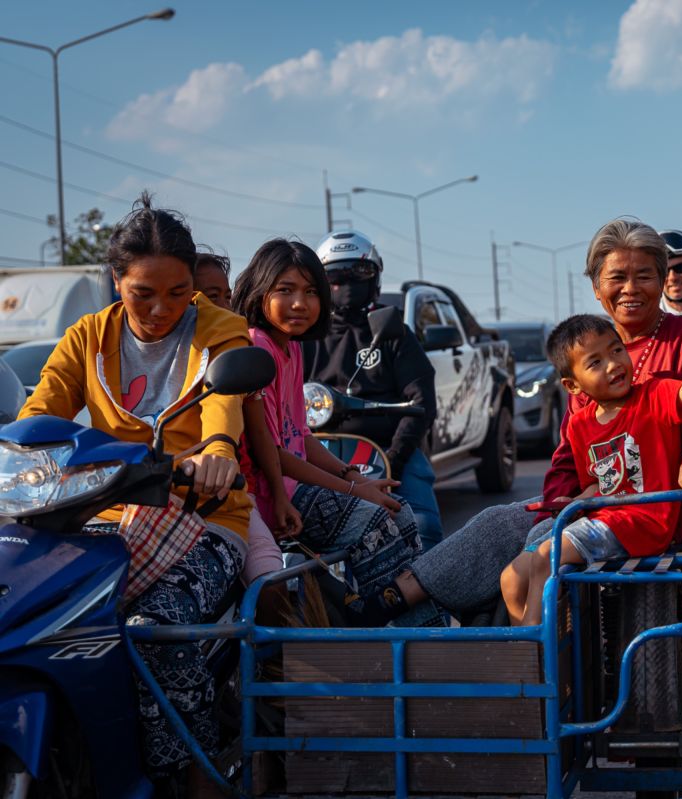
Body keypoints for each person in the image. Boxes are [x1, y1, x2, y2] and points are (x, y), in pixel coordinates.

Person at [377, 218, 682, 623]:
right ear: (597, 287)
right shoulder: (585, 351)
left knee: (537, 547)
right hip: (594, 505)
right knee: (498, 523)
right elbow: (571, 451)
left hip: (665, 509)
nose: (631, 289)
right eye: (617, 277)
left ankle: (530, 644)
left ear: (662, 280)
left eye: (644, 276)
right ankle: (399, 601)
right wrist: (560, 502)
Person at [19, 193, 253, 788]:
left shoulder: (222, 329)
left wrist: (218, 452)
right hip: (103, 516)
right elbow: (38, 414)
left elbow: (224, 406)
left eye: (178, 293)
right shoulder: (87, 337)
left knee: (155, 629)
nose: (160, 309)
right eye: (142, 293)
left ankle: (195, 780)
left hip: (206, 517)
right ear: (116, 280)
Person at [230, 238, 443, 627]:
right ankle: (387, 633)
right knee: (373, 522)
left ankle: (422, 632)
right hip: (271, 490)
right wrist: (353, 489)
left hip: (347, 461)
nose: (300, 303)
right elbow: (274, 452)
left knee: (405, 514)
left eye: (311, 291)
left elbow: (301, 434)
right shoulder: (258, 348)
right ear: (260, 292)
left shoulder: (294, 347)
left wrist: (353, 477)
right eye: (286, 290)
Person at [501, 314, 682, 624]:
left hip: (644, 522)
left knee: (544, 558)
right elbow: (599, 484)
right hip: (606, 519)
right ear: (572, 385)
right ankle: (533, 648)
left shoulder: (654, 395)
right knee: (511, 579)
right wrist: (576, 500)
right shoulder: (580, 426)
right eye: (595, 362)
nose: (613, 364)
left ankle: (536, 648)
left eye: (617, 350)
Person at [305, 230, 444, 555]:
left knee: (423, 528)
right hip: (320, 451)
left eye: (359, 273)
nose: (347, 284)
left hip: (389, 448)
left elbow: (422, 400)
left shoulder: (394, 332)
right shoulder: (305, 337)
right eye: (335, 276)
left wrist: (393, 459)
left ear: (375, 278)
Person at [190, 246, 299, 586]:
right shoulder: (176, 359)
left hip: (237, 494)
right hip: (172, 497)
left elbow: (262, 434)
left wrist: (280, 496)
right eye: (211, 297)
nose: (224, 306)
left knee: (268, 580)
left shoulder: (238, 350)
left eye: (227, 296)